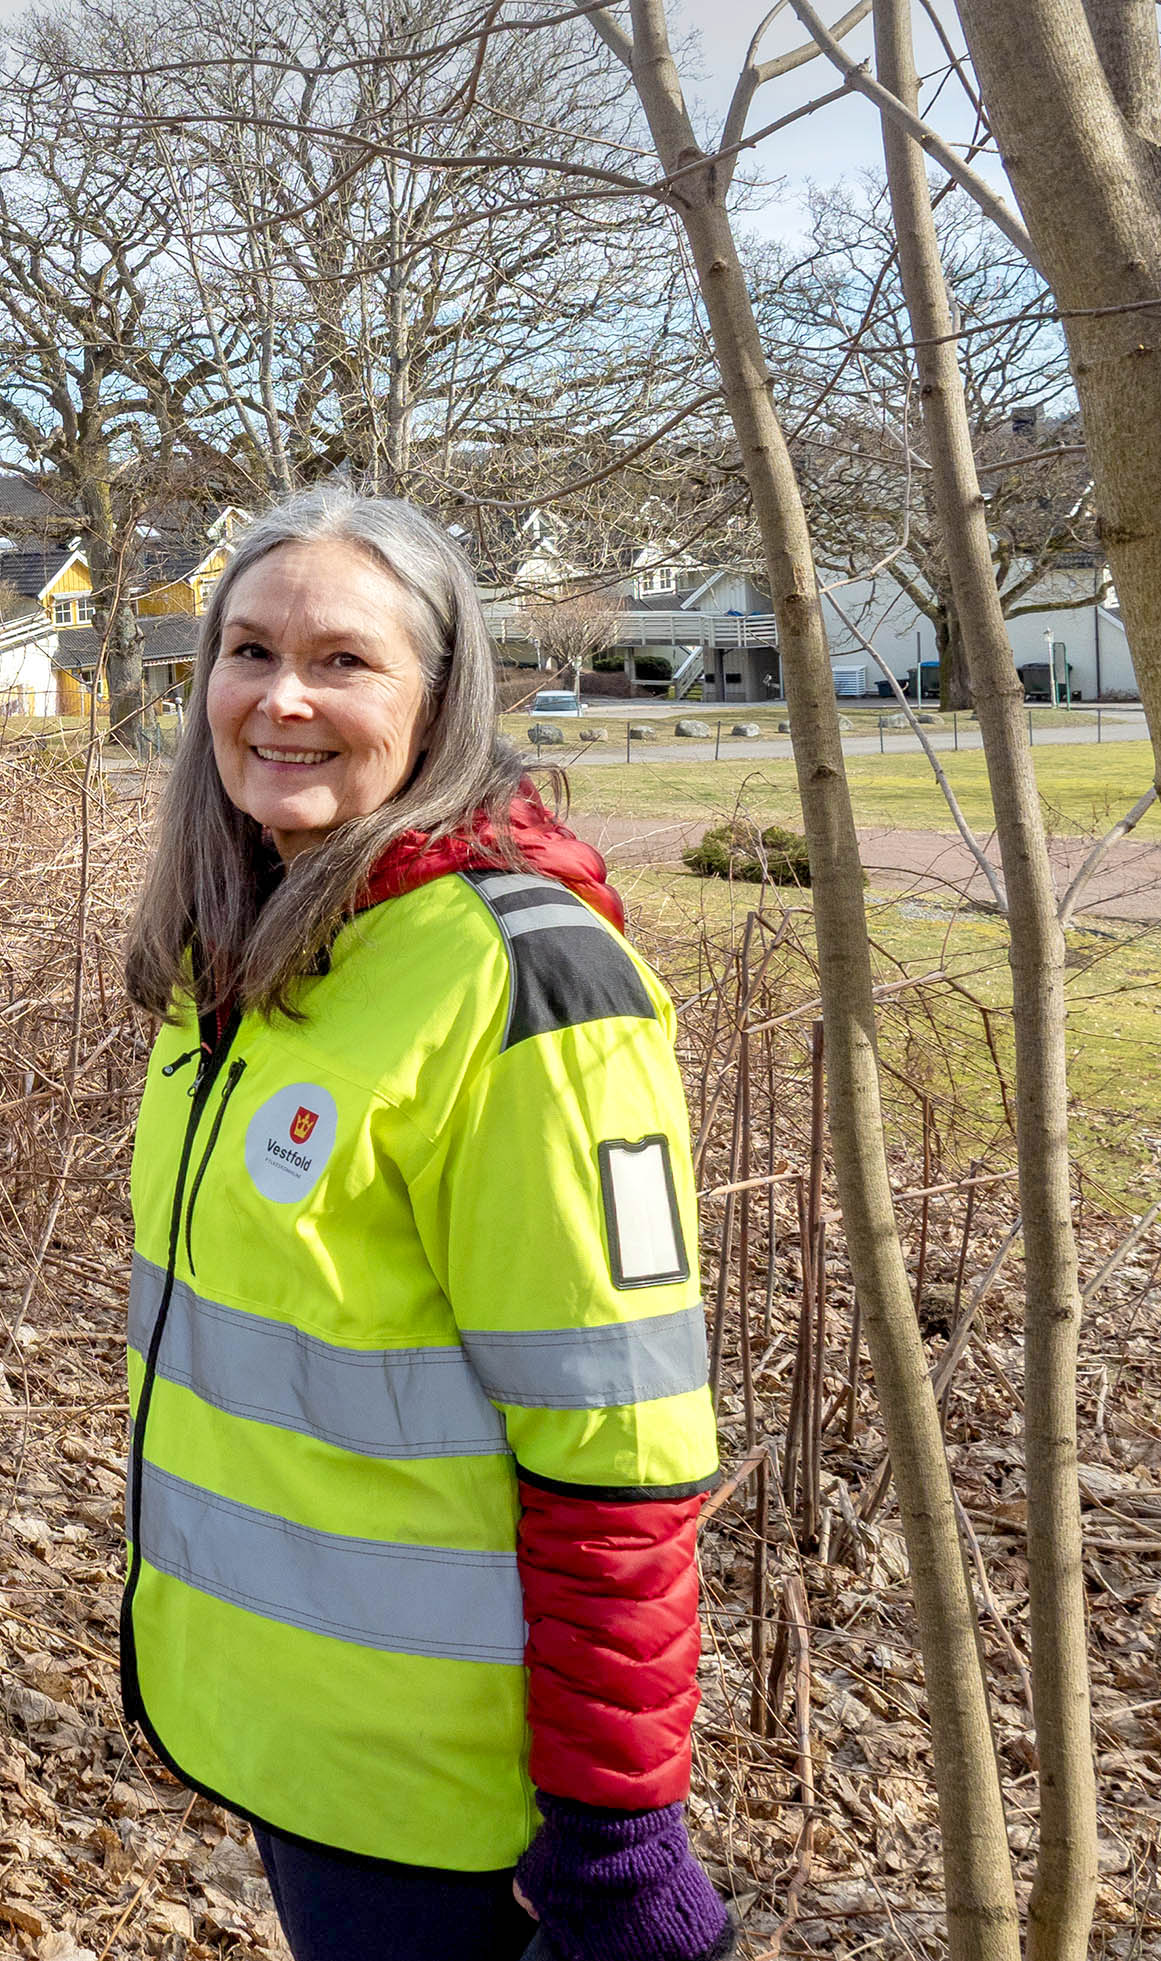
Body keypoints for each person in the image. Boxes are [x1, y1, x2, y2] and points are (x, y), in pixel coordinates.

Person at [120, 485, 733, 1961]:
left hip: (457, 1806)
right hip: (285, 1740)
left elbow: (619, 1451)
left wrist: (613, 1826)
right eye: (247, 650)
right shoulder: (257, 945)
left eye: (342, 661)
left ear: (440, 699)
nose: (280, 698)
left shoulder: (525, 986)